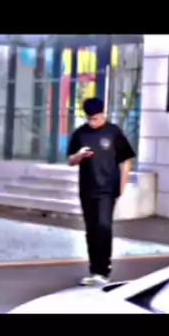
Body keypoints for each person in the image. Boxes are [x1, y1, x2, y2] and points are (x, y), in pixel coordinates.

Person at [67, 97, 136, 286]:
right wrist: (79, 155)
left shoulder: (113, 132)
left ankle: (104, 270)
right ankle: (94, 270)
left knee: (103, 226)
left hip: (107, 188)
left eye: (96, 118)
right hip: (87, 188)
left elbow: (126, 159)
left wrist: (122, 185)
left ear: (103, 114)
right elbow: (70, 161)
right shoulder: (80, 134)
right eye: (90, 119)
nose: (93, 122)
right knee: (91, 229)